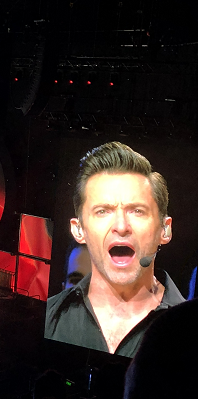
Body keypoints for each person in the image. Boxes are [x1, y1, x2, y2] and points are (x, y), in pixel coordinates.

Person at [45, 142, 184, 357]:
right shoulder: (48, 318)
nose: (121, 226)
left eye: (137, 211)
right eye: (103, 211)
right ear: (79, 229)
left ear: (164, 230)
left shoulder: (191, 332)